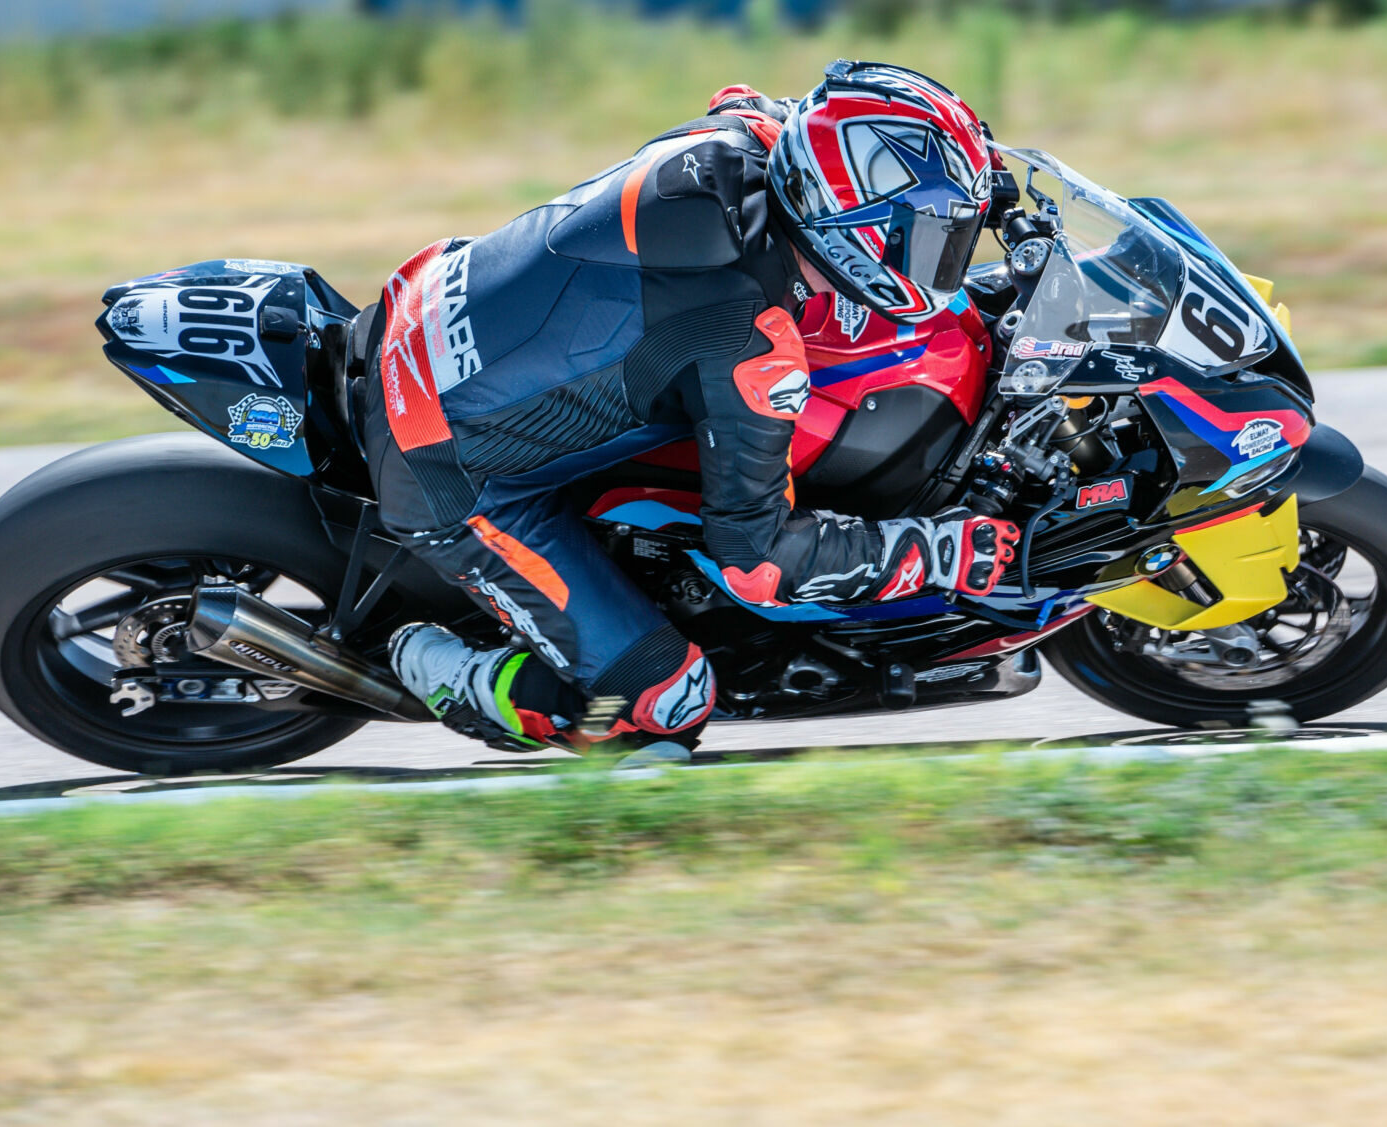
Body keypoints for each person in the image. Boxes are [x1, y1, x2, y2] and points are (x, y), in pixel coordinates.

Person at [364, 60, 1020, 763]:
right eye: (931, 241)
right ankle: (453, 673)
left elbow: (755, 98)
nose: (942, 260)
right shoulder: (752, 347)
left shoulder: (750, 135)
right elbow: (759, 560)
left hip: (431, 297)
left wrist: (981, 178)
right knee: (668, 704)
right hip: (441, 464)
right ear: (850, 231)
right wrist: (936, 550)